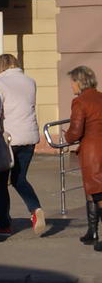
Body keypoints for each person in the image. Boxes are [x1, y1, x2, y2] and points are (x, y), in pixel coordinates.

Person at [0, 54, 45, 236]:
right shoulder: (30, 81)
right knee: (19, 178)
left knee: (0, 182)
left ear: (0, 66)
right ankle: (35, 209)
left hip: (8, 139)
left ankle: (4, 224)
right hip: (29, 137)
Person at [64, 65, 102, 250]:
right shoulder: (101, 97)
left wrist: (67, 136)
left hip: (92, 152)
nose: (71, 86)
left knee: (97, 192)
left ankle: (96, 234)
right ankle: (92, 232)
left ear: (79, 81)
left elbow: (75, 131)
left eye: (72, 82)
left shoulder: (80, 102)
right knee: (92, 191)